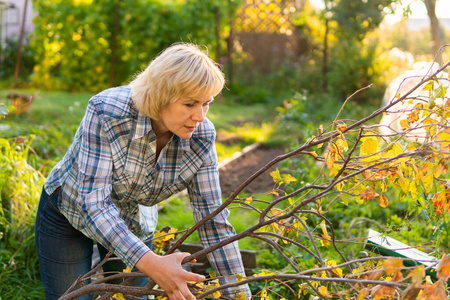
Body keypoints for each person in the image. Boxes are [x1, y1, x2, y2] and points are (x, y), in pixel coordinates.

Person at [35, 43, 251, 300]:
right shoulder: (107, 113)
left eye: (207, 103)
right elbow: (94, 205)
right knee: (72, 296)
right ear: (161, 95)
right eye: (190, 104)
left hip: (133, 222)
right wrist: (152, 263)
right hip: (69, 212)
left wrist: (238, 294)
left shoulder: (201, 137)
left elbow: (212, 220)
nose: (200, 116)